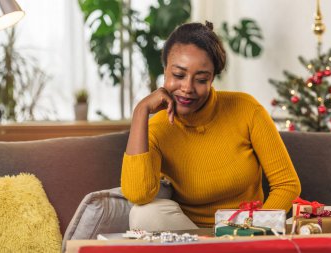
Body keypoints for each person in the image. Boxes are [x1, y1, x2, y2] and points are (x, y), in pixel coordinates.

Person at [121, 21, 301, 231]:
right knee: (144, 213)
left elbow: (287, 184)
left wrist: (254, 231)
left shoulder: (246, 109)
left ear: (212, 78)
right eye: (178, 75)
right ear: (165, 70)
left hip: (247, 230)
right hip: (190, 237)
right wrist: (140, 112)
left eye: (201, 79)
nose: (187, 88)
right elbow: (138, 194)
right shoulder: (157, 128)